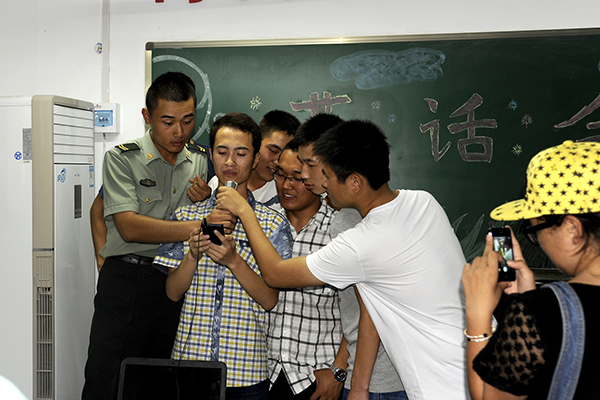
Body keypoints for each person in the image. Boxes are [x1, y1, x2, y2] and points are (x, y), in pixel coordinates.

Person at [216, 119, 467, 400]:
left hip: (434, 380)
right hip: (475, 357)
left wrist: (244, 210)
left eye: (327, 175)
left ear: (355, 182)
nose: (321, 182)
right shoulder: (423, 202)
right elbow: (374, 303)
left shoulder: (361, 242)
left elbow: (275, 274)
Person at [82, 71, 210, 400]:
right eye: (168, 122)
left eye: (188, 120)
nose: (179, 132)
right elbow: (127, 225)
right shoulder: (122, 158)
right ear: (147, 116)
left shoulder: (200, 160)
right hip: (127, 279)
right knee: (107, 378)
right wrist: (104, 257)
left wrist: (206, 198)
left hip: (176, 281)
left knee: (160, 382)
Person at [153, 112, 293, 400]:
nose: (230, 162)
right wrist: (192, 254)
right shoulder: (186, 216)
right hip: (191, 364)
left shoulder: (272, 223)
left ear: (255, 159)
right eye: (222, 152)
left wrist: (233, 261)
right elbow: (172, 292)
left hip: (246, 369)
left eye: (241, 154)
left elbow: (270, 300)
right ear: (210, 155)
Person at [462, 140, 600, 400]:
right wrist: (525, 299)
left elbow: (488, 397)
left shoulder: (538, 312)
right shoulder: (538, 309)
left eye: (535, 229)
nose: (539, 240)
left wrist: (478, 312)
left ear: (573, 229)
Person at [295, 114, 405, 400]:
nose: (303, 174)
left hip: (375, 376)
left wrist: (349, 377)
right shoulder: (397, 204)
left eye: (311, 164)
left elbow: (369, 308)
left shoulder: (350, 217)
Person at [266, 140, 347, 400]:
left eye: (298, 178)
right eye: (280, 175)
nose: (286, 185)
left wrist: (339, 370)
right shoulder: (262, 223)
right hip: (263, 374)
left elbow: (360, 309)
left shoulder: (339, 230)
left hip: (317, 376)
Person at [208, 109, 300, 205]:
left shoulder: (285, 192)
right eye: (273, 151)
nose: (277, 161)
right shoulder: (218, 182)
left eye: (284, 155)